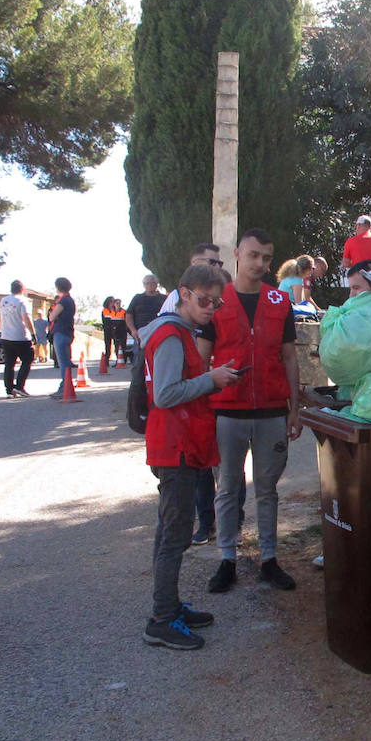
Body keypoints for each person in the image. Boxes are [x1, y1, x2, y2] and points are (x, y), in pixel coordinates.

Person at [139, 263, 241, 650]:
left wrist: (210, 377)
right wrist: (210, 381)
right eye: (204, 300)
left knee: (171, 531)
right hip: (174, 447)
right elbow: (165, 395)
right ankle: (162, 620)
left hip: (179, 445)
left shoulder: (180, 332)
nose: (211, 307)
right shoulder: (170, 335)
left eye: (216, 302)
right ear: (183, 294)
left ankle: (168, 607)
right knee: (174, 535)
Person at [207, 228, 302, 594]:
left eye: (266, 257)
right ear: (237, 255)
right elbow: (202, 359)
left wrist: (295, 408)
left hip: (271, 412)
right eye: (253, 256)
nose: (260, 263)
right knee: (228, 488)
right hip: (227, 412)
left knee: (268, 489)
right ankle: (226, 559)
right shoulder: (218, 302)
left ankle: (269, 559)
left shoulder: (280, 301)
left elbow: (289, 355)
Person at [0, 279, 35, 398]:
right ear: (22, 289)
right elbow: (26, 318)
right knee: (27, 360)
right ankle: (19, 386)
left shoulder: (3, 301)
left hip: (6, 336)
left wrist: (3, 331)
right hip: (21, 336)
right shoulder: (23, 301)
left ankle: (9, 389)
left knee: (9, 364)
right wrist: (33, 333)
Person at [47, 277, 76, 398]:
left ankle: (64, 389)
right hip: (68, 332)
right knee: (65, 361)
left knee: (63, 363)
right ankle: (64, 387)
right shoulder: (70, 300)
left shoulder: (63, 301)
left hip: (61, 332)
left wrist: (51, 314)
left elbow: (52, 317)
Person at [125, 274, 166, 357]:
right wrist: (133, 330)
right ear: (143, 285)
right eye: (147, 283)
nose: (150, 285)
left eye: (152, 283)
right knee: (139, 362)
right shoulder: (137, 298)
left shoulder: (164, 299)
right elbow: (129, 315)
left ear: (156, 284)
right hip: (140, 335)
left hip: (158, 333)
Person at [102, 296, 128, 366]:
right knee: (107, 346)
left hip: (118, 331)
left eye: (113, 302)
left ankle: (120, 361)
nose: (112, 303)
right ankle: (106, 362)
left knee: (118, 347)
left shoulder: (120, 311)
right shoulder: (105, 311)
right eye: (111, 302)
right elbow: (105, 321)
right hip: (108, 331)